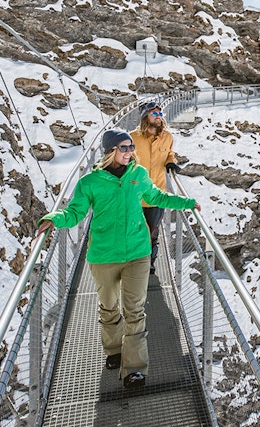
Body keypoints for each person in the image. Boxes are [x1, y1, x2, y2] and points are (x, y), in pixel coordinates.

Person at [37, 129, 200, 389]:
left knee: (135, 310)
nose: (129, 152)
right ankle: (114, 350)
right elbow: (75, 212)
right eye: (124, 148)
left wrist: (186, 202)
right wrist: (55, 219)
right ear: (110, 150)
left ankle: (134, 369)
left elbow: (157, 197)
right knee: (109, 307)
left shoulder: (138, 175)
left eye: (131, 147)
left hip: (137, 252)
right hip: (103, 256)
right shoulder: (90, 182)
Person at [131, 101, 180, 274]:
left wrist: (171, 162)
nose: (159, 117)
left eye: (160, 114)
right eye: (155, 114)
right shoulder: (132, 138)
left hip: (157, 192)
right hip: (134, 194)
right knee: (135, 230)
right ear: (146, 116)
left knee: (152, 230)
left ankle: (149, 263)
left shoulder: (167, 137)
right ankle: (134, 261)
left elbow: (170, 154)